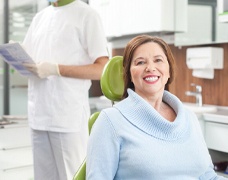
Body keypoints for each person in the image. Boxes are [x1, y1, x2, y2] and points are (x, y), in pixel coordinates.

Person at [86, 35, 227, 179]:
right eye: (140, 62)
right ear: (129, 73)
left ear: (169, 70)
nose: (150, 68)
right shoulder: (110, 121)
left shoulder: (189, 117)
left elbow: (208, 175)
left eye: (158, 60)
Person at [22, 0, 109, 179]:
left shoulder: (87, 15)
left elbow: (102, 69)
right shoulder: (39, 18)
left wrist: (57, 69)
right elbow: (29, 59)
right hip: (38, 115)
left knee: (72, 176)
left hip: (67, 118)